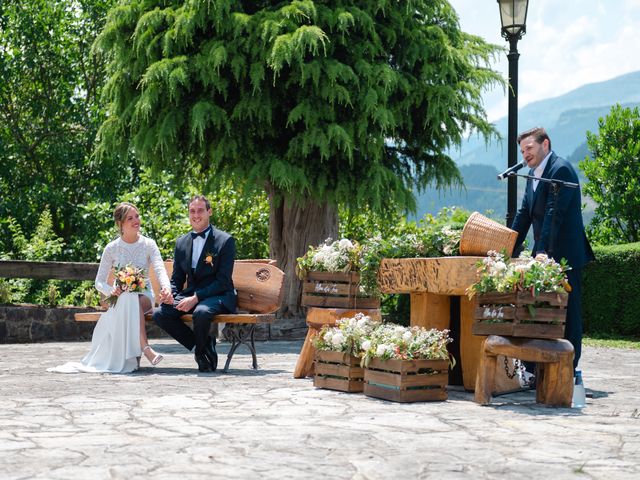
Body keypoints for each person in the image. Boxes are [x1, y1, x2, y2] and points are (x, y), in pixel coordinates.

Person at [49, 202, 173, 374]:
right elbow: (99, 282)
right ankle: (144, 349)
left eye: (137, 216)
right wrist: (111, 291)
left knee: (132, 298)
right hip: (120, 298)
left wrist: (166, 288)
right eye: (130, 218)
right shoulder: (112, 248)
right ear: (121, 224)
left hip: (145, 296)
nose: (136, 220)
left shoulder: (148, 244)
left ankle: (143, 350)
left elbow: (159, 268)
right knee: (128, 297)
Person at [511, 127, 595, 373]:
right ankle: (537, 368)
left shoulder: (560, 169)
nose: (525, 154)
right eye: (522, 150)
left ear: (545, 144)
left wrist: (542, 252)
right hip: (544, 255)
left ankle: (568, 368)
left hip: (566, 255)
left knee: (569, 313)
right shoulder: (533, 175)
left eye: (529, 148)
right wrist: (507, 247)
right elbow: (524, 214)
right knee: (540, 312)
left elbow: (553, 215)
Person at [153, 195, 237, 372]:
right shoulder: (181, 243)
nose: (196, 215)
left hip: (218, 295)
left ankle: (200, 355)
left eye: (200, 210)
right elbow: (177, 278)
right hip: (192, 294)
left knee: (201, 312)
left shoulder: (225, 241)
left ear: (209, 212)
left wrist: (196, 297)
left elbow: (223, 281)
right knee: (160, 313)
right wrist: (170, 293)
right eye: (192, 211)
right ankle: (203, 345)